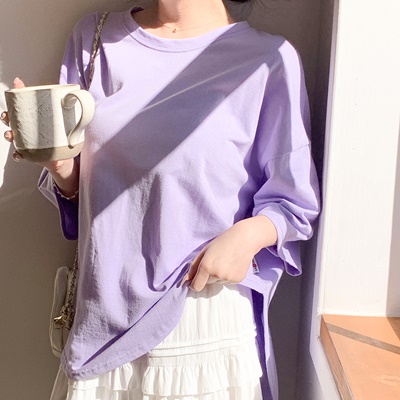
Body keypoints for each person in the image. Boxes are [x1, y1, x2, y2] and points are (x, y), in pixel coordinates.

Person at [2, 0, 320, 399]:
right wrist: (60, 164)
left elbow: (294, 202)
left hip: (201, 321)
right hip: (102, 323)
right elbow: (84, 198)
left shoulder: (269, 60)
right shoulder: (94, 40)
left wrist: (247, 236)